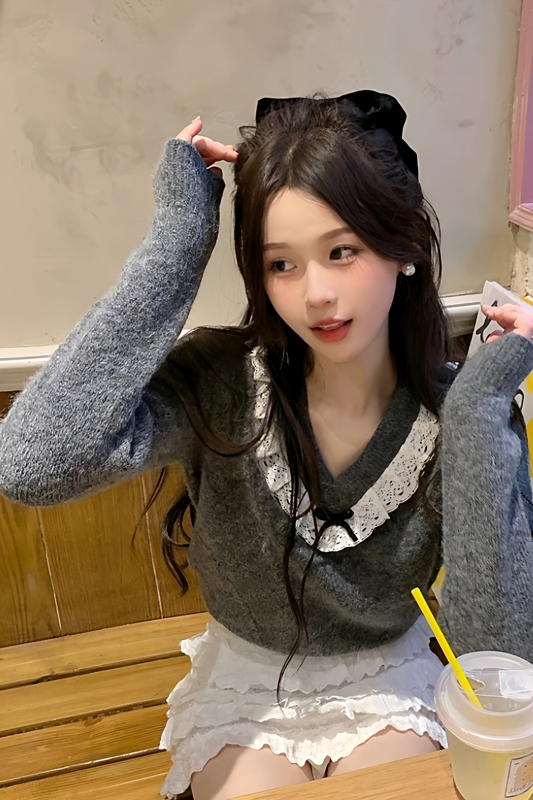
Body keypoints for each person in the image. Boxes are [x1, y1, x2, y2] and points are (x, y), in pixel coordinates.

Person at [1, 91, 532, 800]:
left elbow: (502, 659)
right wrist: (178, 241)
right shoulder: (218, 381)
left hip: (391, 674)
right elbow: (31, 465)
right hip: (246, 680)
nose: (315, 295)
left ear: (402, 245)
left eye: (341, 251)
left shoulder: (454, 410)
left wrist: (479, 412)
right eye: (281, 264)